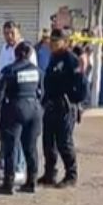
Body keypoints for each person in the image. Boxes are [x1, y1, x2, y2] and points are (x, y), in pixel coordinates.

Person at [0, 40, 43, 194]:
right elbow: (42, 92)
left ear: (15, 54)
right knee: (31, 147)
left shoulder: (9, 70)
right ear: (31, 54)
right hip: (34, 110)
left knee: (10, 147)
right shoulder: (38, 71)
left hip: (14, 109)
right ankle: (31, 182)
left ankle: (8, 184)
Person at [40, 28, 85, 188]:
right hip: (51, 104)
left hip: (65, 106)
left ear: (65, 42)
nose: (52, 44)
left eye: (56, 41)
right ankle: (49, 173)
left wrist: (75, 101)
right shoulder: (53, 57)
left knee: (64, 142)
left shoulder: (70, 59)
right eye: (51, 41)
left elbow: (80, 83)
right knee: (48, 141)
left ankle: (71, 175)